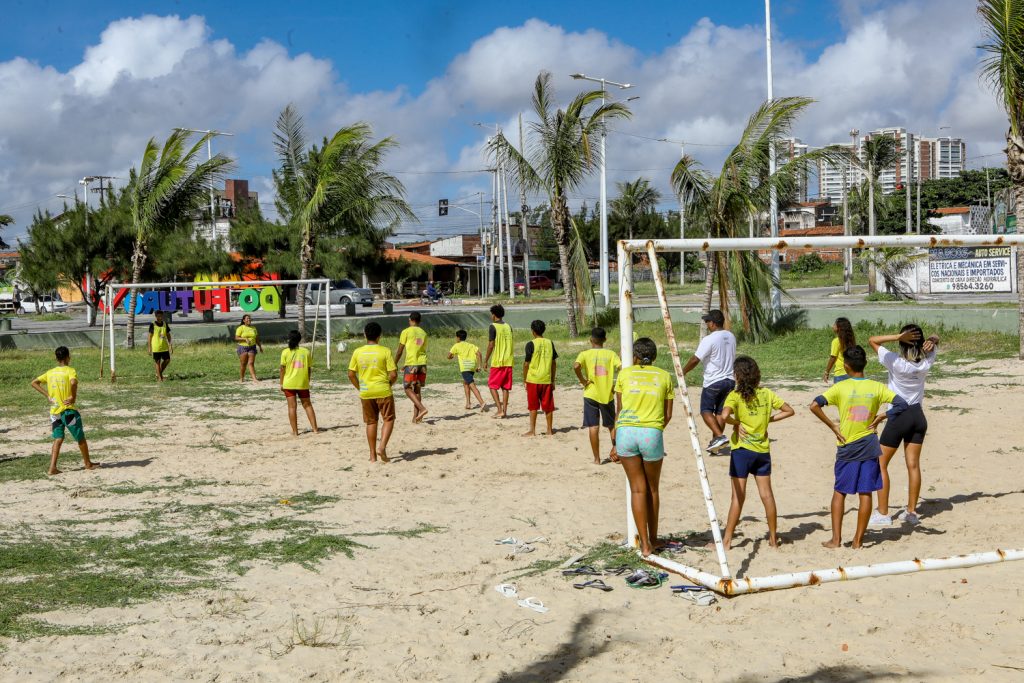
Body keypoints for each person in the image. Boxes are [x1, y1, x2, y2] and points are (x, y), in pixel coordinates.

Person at [810, 345, 909, 549]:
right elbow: (902, 404)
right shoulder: (877, 387)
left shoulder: (840, 388)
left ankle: (836, 539)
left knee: (840, 491)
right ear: (865, 364)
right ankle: (857, 541)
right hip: (869, 446)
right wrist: (882, 415)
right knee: (866, 493)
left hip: (847, 446)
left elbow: (814, 405)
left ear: (846, 366)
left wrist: (833, 426)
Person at [716, 356, 794, 549]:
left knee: (737, 497)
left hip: (742, 451)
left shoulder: (734, 396)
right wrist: (769, 420)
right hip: (762, 451)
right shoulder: (766, 394)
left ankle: (726, 541)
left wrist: (736, 423)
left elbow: (724, 416)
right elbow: (789, 410)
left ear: (737, 376)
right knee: (767, 495)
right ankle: (773, 539)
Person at [868, 325, 940, 527]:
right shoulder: (926, 362)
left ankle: (883, 513)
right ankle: (911, 512)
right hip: (918, 416)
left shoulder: (896, 362)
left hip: (899, 416)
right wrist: (933, 340)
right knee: (913, 465)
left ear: (902, 342)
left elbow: (873, 340)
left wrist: (898, 336)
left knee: (880, 464)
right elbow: (935, 339)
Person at [611, 337, 674, 557]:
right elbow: (668, 415)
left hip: (626, 433)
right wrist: (654, 430)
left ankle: (644, 544)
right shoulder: (664, 377)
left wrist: (616, 441)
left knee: (638, 489)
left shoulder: (625, 374)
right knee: (653, 488)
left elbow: (618, 410)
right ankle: (654, 538)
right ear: (654, 357)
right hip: (651, 433)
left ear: (635, 356)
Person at [30, 346, 97, 475]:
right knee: (80, 438)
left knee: (58, 438)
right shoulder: (70, 371)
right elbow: (73, 383)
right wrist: (73, 397)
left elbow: (34, 382)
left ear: (56, 358)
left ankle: (52, 468)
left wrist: (47, 395)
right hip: (68, 412)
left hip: (54, 412)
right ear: (68, 357)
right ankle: (88, 464)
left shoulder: (50, 372)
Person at [682, 309, 736, 455]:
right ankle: (716, 446)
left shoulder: (709, 339)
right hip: (730, 380)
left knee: (706, 411)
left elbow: (695, 359)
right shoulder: (731, 336)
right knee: (719, 413)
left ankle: (719, 436)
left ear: (713, 323)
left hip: (714, 381)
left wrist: (684, 371)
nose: (706, 324)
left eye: (707, 321)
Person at [347, 321, 398, 463]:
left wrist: (360, 387)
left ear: (365, 335)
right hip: (383, 390)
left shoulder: (358, 352)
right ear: (379, 336)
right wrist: (389, 384)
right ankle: (382, 447)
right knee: (388, 419)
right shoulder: (385, 351)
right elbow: (393, 374)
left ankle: (372, 456)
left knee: (371, 422)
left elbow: (351, 374)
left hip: (366, 392)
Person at [573, 326, 622, 464]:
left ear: (590, 340)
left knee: (593, 427)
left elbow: (576, 366)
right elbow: (622, 368)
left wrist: (583, 380)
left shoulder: (584, 354)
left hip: (590, 394)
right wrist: (616, 385)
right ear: (605, 339)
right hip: (607, 394)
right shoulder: (611, 354)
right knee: (611, 425)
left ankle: (596, 459)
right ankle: (616, 453)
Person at [522, 320, 557, 436]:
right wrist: (553, 380)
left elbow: (526, 364)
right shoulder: (550, 343)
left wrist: (524, 379)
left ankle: (532, 430)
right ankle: (549, 430)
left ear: (533, 331)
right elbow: (553, 363)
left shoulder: (530, 344)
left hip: (533, 379)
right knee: (548, 406)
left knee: (533, 406)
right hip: (546, 379)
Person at [279, 330, 318, 436]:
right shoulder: (306, 352)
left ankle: (295, 432)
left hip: (289, 383)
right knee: (308, 405)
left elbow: (282, 369)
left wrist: (281, 383)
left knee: (292, 407)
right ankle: (315, 429)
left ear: (289, 339)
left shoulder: (285, 352)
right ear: (299, 339)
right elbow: (309, 369)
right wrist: (307, 380)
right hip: (302, 383)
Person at [395, 312, 429, 423]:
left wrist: (394, 363)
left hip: (411, 364)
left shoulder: (406, 331)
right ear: (420, 321)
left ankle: (422, 409)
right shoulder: (423, 333)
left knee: (407, 388)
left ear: (410, 319)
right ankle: (416, 418)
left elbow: (400, 351)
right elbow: (420, 347)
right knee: (417, 389)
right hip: (422, 364)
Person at [484, 304, 514, 419]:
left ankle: (499, 410)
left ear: (494, 315)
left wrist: (486, 360)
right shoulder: (508, 326)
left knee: (492, 385)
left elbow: (491, 345)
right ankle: (504, 411)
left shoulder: (493, 326)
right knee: (505, 388)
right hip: (509, 361)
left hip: (498, 361)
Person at [448, 329, 487, 411]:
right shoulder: (471, 345)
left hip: (465, 368)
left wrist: (451, 357)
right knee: (466, 383)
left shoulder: (456, 345)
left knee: (471, 385)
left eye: (456, 337)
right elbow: (479, 354)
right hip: (472, 366)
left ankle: (482, 403)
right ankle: (468, 403)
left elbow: (449, 356)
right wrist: (479, 365)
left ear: (458, 338)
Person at [823, 317, 856, 384]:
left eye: (834, 324)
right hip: (851, 372)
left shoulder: (836, 341)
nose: (832, 326)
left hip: (840, 373)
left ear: (839, 328)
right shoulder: (851, 340)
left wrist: (827, 372)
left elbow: (833, 357)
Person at [234, 314, 263, 382]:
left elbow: (257, 338)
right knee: (243, 364)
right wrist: (244, 339)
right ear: (244, 320)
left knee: (251, 363)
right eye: (247, 318)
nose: (249, 319)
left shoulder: (254, 328)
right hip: (243, 347)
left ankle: (254, 378)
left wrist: (260, 346)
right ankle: (241, 378)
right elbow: (236, 338)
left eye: (249, 318)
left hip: (252, 347)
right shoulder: (241, 328)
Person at [148, 310, 172, 381]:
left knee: (167, 360)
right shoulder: (153, 324)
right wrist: (149, 347)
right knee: (157, 362)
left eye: (161, 316)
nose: (160, 317)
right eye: (158, 316)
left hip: (164, 346)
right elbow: (149, 336)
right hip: (156, 347)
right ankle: (159, 378)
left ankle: (159, 373)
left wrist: (170, 345)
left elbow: (168, 335)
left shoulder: (165, 324)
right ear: (156, 316)